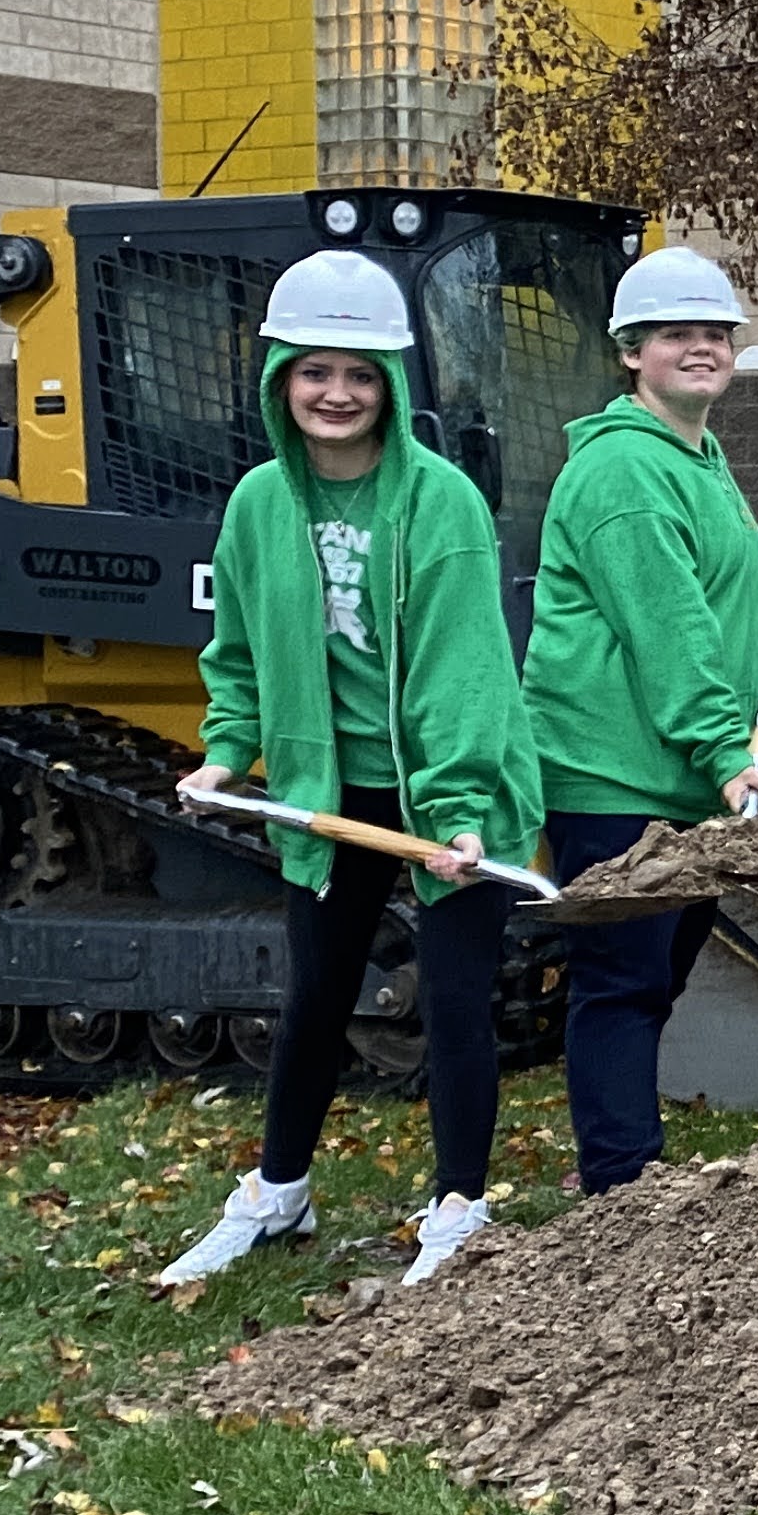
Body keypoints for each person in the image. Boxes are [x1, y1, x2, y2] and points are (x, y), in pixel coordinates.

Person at [159, 251, 541, 1290]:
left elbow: (466, 672)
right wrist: (229, 750)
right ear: (280, 378)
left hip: (448, 787)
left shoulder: (441, 504)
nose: (336, 394)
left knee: (456, 1001)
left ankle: (459, 1204)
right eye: (314, 371)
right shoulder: (255, 506)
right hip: (325, 793)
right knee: (318, 995)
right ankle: (279, 1193)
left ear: (392, 386)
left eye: (360, 374)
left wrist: (463, 815)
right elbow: (237, 653)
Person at [521, 245, 758, 1196]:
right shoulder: (626, 471)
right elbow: (665, 629)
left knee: (655, 981)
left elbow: (714, 610)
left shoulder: (697, 456)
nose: (701, 349)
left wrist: (750, 705)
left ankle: (631, 1173)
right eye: (678, 335)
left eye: (716, 333)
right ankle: (621, 1188)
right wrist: (723, 748)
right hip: (613, 773)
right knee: (623, 985)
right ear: (632, 351)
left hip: (683, 772)